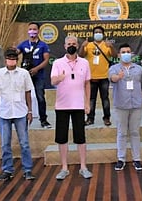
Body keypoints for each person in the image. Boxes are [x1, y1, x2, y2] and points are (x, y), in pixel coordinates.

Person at [0, 49, 36, 181]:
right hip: (5, 113)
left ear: (17, 59)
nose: (11, 59)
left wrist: (30, 111)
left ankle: (27, 170)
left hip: (21, 111)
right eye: (9, 57)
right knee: (5, 144)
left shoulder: (24, 73)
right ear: (5, 59)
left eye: (14, 57)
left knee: (24, 143)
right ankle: (7, 170)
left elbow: (28, 92)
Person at [51, 36, 93, 180]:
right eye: (69, 44)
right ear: (64, 46)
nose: (71, 46)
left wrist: (87, 103)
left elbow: (87, 84)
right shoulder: (57, 63)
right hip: (62, 106)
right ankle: (64, 167)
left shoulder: (84, 62)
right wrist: (59, 79)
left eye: (74, 44)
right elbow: (52, 80)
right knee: (62, 138)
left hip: (79, 105)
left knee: (80, 137)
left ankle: (83, 166)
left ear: (77, 45)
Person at [109, 43, 142, 171]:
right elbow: (112, 78)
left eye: (128, 52)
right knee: (122, 133)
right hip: (121, 105)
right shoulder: (114, 68)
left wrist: (141, 98)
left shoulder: (139, 69)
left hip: (136, 105)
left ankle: (137, 159)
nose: (126, 54)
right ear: (119, 55)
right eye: (123, 52)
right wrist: (118, 77)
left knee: (135, 132)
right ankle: (121, 159)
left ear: (132, 54)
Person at [79, 26, 116, 126]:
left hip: (104, 76)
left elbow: (114, 56)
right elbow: (81, 55)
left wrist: (111, 46)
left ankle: (107, 118)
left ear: (103, 34)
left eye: (100, 32)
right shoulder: (89, 45)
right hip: (91, 77)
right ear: (93, 34)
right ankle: (90, 118)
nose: (98, 33)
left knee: (105, 98)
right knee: (91, 99)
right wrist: (82, 46)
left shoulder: (106, 45)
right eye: (96, 32)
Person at [16, 22, 51, 128]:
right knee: (23, 97)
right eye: (30, 29)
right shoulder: (23, 44)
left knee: (40, 97)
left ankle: (43, 120)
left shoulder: (43, 45)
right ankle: (24, 118)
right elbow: (15, 54)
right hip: (25, 75)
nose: (32, 31)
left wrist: (37, 69)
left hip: (38, 75)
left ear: (38, 31)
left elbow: (46, 60)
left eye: (34, 29)